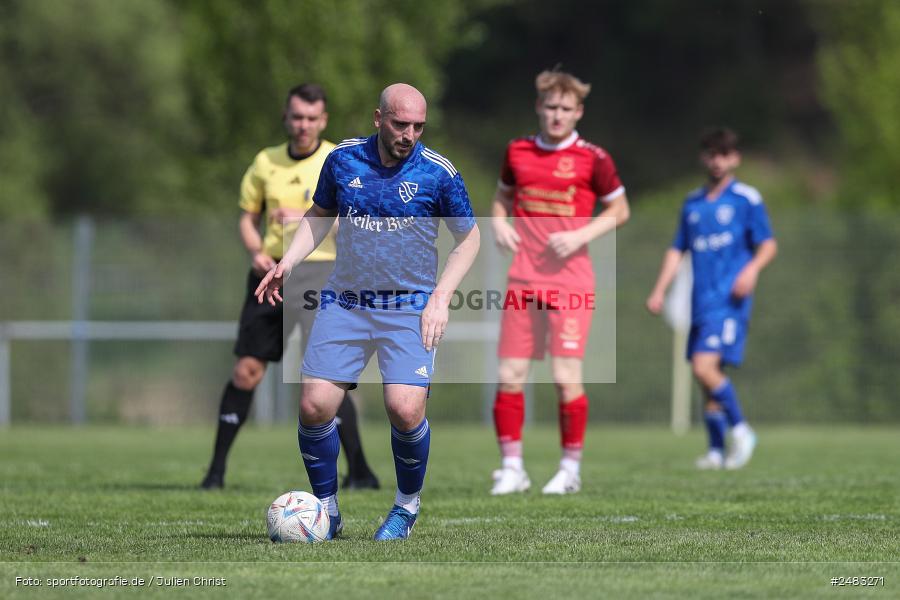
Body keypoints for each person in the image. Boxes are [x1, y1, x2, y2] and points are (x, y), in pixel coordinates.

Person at [256, 83, 480, 540]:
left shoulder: (438, 173)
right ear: (379, 119)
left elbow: (469, 239)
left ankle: (405, 507)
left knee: (403, 408)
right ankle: (327, 511)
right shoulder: (343, 159)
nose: (409, 134)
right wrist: (288, 261)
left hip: (409, 306)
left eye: (418, 126)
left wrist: (440, 299)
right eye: (400, 124)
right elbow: (320, 214)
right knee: (315, 405)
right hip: (347, 301)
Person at [201, 83, 379, 491]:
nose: (303, 125)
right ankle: (215, 472)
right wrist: (255, 252)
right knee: (246, 371)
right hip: (271, 276)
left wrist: (303, 215)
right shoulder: (265, 162)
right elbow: (248, 218)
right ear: (286, 117)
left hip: (324, 275)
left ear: (324, 120)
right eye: (297, 117)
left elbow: (353, 221)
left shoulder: (340, 160)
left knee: (326, 378)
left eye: (312, 118)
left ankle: (361, 472)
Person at [489, 70, 631, 496]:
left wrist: (579, 235)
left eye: (565, 109)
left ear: (578, 112)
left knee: (566, 376)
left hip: (570, 283)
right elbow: (501, 198)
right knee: (510, 374)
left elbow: (620, 210)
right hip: (522, 279)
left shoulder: (595, 158)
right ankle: (512, 468)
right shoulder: (517, 151)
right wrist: (498, 224)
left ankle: (570, 469)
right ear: (539, 107)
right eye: (550, 107)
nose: (556, 115)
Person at [646, 127, 777, 470]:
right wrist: (659, 289)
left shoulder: (746, 198)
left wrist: (751, 271)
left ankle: (742, 430)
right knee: (706, 376)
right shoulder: (692, 203)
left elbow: (768, 244)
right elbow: (677, 250)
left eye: (724, 154)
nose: (717, 161)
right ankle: (717, 451)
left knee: (705, 368)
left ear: (735, 158)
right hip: (700, 301)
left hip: (729, 301)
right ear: (703, 157)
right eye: (711, 154)